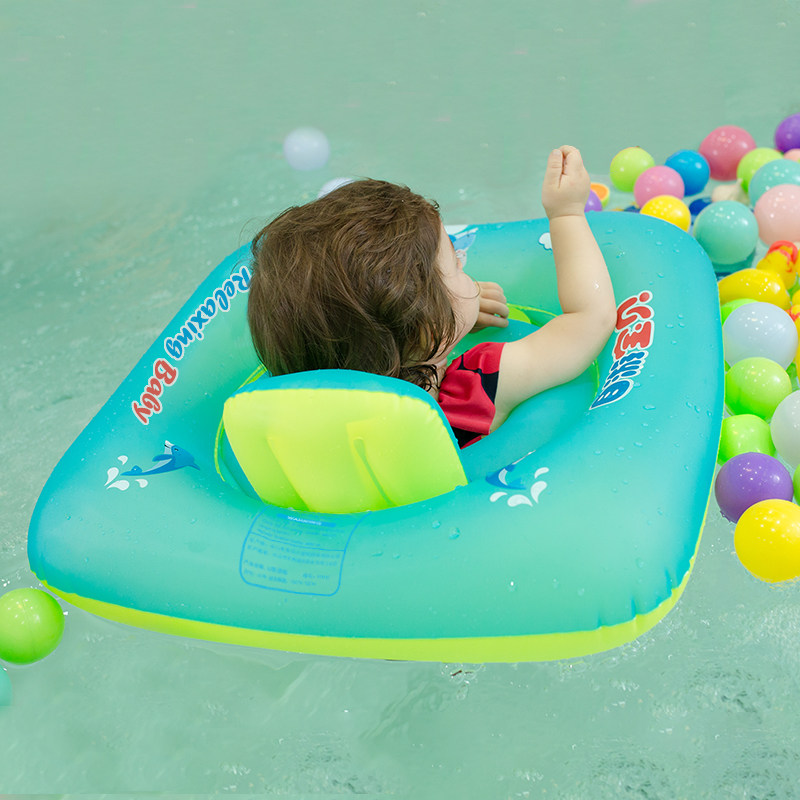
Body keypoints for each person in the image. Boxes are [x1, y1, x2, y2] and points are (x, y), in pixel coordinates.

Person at [247, 146, 616, 448]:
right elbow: (589, 319)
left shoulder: (303, 433)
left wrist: (454, 315)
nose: (463, 262)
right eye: (455, 263)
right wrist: (566, 214)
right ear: (425, 329)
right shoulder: (471, 393)